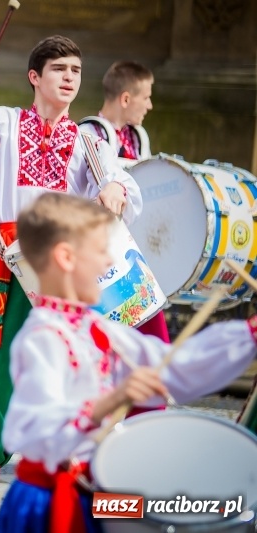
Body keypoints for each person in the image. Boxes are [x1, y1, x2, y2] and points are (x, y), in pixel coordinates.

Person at [0, 35, 142, 533]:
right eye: (59, 68)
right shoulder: (1, 124)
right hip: (6, 269)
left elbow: (128, 186)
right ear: (35, 77)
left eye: (77, 70)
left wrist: (114, 185)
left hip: (62, 277)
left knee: (75, 376)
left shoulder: (91, 141)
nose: (69, 77)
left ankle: (71, 508)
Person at [0, 192, 257, 532]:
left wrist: (249, 336)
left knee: (173, 513)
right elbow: (31, 431)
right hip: (47, 502)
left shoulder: (98, 329)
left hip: (96, 491)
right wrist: (113, 400)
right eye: (101, 251)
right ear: (66, 257)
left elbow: (172, 367)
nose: (108, 263)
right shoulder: (43, 337)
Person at [78, 61, 170, 350]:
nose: (151, 105)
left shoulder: (137, 136)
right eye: (146, 97)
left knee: (147, 332)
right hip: (101, 253)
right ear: (126, 98)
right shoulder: (91, 134)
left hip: (130, 250)